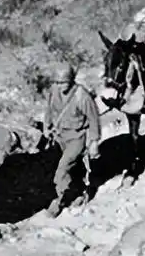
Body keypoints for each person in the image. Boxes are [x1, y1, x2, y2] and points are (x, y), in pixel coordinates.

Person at [42, 64, 101, 217]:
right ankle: (79, 193)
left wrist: (94, 141)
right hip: (60, 136)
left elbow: (94, 119)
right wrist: (46, 126)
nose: (60, 86)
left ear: (71, 81)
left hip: (77, 137)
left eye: (64, 82)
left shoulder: (82, 96)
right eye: (57, 82)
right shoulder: (54, 91)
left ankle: (59, 200)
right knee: (72, 167)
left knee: (62, 168)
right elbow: (49, 109)